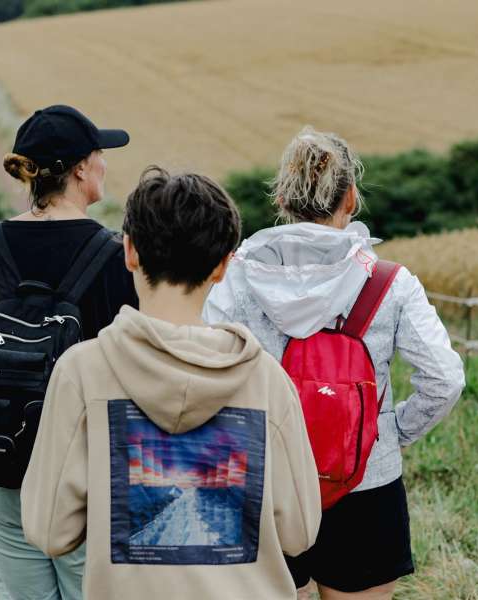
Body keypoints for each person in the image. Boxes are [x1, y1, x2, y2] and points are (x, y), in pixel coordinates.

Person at [21, 166, 322, 600]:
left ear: (129, 251)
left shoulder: (81, 373)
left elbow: (50, 530)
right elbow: (299, 532)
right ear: (223, 265)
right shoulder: (268, 380)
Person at [203, 126, 466, 600]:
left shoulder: (234, 278)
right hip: (367, 485)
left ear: (281, 198)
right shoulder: (391, 283)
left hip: (268, 485)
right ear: (351, 197)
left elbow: (208, 373)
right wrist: (389, 433)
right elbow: (444, 380)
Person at [0, 105, 138, 600]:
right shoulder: (117, 257)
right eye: (100, 155)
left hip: (0, 462)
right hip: (88, 473)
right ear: (80, 169)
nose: (105, 165)